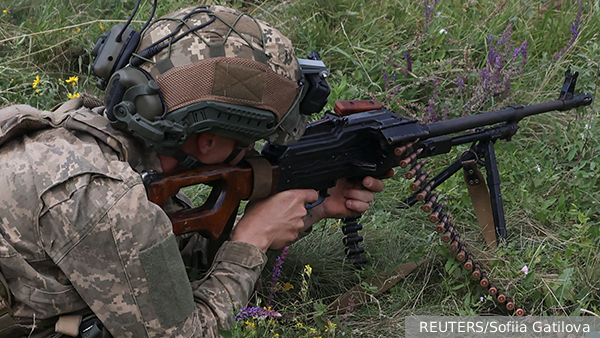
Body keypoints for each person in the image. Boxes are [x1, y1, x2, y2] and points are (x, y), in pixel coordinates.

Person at [0, 4, 387, 338]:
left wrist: (313, 208)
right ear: (208, 143)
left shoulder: (97, 143)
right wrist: (252, 240)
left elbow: (172, 261)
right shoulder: (105, 199)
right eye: (248, 143)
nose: (250, 154)